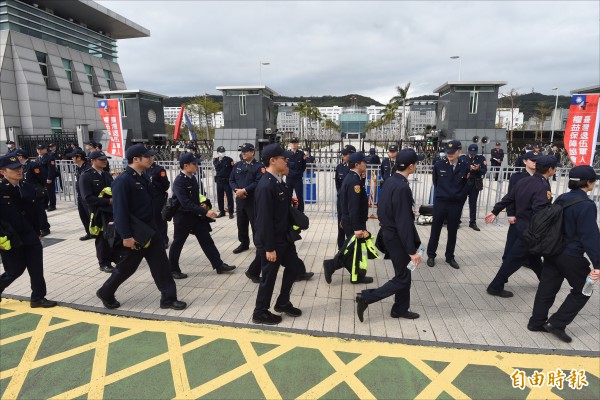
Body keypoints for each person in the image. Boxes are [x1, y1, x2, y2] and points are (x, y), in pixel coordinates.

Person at [97, 144, 186, 310]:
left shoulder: (142, 176)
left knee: (162, 266)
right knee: (126, 268)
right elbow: (120, 211)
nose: (151, 159)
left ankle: (168, 298)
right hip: (136, 234)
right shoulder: (123, 181)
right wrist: (126, 236)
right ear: (135, 159)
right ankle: (105, 292)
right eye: (147, 156)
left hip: (151, 231)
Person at [528, 166, 600, 343]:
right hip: (572, 255)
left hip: (552, 250)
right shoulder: (586, 205)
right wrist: (598, 264)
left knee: (547, 286)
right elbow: (590, 237)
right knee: (583, 290)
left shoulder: (562, 198)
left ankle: (536, 322)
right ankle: (557, 323)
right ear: (588, 182)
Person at [355, 149, 424, 322]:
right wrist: (411, 250)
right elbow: (403, 222)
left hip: (388, 232)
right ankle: (367, 297)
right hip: (396, 237)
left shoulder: (391, 181)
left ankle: (400, 308)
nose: (416, 165)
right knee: (402, 278)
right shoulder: (401, 187)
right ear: (411, 166)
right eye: (416, 163)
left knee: (404, 275)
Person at [484, 155, 558, 297]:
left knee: (533, 257)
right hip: (531, 230)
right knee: (514, 260)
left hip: (521, 226)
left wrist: (495, 211)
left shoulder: (525, 181)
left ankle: (546, 281)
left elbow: (509, 198)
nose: (555, 171)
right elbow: (540, 212)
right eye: (554, 168)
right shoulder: (542, 186)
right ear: (550, 169)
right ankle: (495, 286)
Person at [252, 144, 304, 325]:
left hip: (284, 238)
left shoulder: (277, 181)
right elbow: (263, 220)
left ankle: (282, 302)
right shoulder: (266, 185)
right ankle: (260, 312)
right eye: (284, 159)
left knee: (294, 267)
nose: (286, 161)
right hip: (272, 241)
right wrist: (269, 248)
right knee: (268, 278)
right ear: (273, 160)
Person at [0, 154, 57, 307]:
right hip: (10, 237)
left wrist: (38, 231)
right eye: (13, 169)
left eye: (19, 167)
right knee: (15, 270)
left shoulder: (27, 187)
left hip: (30, 234)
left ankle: (38, 298)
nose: (18, 171)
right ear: (3, 172)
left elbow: (36, 212)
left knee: (36, 268)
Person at [169, 153, 236, 279]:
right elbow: (185, 203)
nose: (197, 165)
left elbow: (195, 197)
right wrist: (205, 212)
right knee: (178, 243)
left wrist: (203, 204)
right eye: (194, 164)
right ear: (186, 166)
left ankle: (219, 265)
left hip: (195, 216)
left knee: (207, 240)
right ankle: (173, 269)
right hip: (183, 218)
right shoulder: (179, 181)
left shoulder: (193, 178)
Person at [426, 140, 469, 270]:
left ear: (459, 151)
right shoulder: (439, 165)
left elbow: (466, 184)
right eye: (448, 152)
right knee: (435, 229)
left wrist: (460, 198)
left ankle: (449, 256)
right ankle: (431, 255)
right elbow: (436, 182)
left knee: (452, 231)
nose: (449, 154)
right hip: (441, 202)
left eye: (453, 152)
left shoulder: (464, 165)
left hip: (455, 204)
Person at [337, 151, 373, 283]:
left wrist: (342, 218)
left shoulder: (353, 177)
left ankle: (356, 275)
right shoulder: (354, 181)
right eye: (364, 162)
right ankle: (333, 265)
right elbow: (353, 207)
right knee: (355, 251)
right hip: (354, 223)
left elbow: (344, 202)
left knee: (354, 250)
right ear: (357, 164)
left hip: (350, 221)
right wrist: (357, 228)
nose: (366, 164)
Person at [79, 151, 115, 273]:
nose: (104, 161)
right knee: (101, 238)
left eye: (105, 159)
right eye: (101, 159)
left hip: (110, 211)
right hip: (98, 211)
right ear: (92, 161)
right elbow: (87, 198)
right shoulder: (86, 176)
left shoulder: (106, 175)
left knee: (112, 234)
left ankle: (115, 257)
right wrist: (108, 202)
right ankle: (104, 262)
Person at [501, 150, 539, 262]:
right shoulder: (517, 177)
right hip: (519, 214)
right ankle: (507, 259)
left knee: (531, 238)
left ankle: (527, 260)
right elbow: (510, 197)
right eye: (533, 160)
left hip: (534, 215)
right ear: (525, 161)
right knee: (513, 237)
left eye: (537, 161)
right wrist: (510, 213)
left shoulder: (541, 177)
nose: (535, 163)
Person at [229, 143, 264, 254]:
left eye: (246, 151)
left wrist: (244, 190)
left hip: (252, 200)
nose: (243, 153)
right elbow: (231, 180)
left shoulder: (259, 166)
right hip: (240, 199)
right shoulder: (238, 165)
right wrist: (236, 191)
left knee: (255, 224)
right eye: (242, 151)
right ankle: (244, 243)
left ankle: (258, 245)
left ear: (252, 152)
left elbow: (258, 182)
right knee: (241, 223)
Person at [14, 149, 50, 237]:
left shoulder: (33, 165)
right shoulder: (20, 166)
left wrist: (39, 188)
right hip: (25, 193)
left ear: (20, 157)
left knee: (39, 210)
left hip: (35, 192)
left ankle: (45, 228)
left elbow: (41, 177)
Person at [66, 149, 93, 241]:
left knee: (90, 215)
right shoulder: (80, 167)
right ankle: (89, 233)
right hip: (80, 195)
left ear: (79, 157)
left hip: (86, 196)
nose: (72, 159)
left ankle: (95, 232)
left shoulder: (88, 168)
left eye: (73, 157)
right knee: (83, 215)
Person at [460, 144, 487, 231]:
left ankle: (472, 222)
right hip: (464, 183)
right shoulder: (462, 158)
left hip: (475, 183)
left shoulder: (481, 159)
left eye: (474, 153)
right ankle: (456, 220)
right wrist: (468, 170)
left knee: (473, 203)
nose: (472, 155)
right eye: (471, 153)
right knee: (460, 202)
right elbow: (458, 170)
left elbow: (484, 171)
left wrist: (478, 169)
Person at [334, 145, 356, 249]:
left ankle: (351, 247)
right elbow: (337, 184)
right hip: (341, 201)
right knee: (340, 225)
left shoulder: (356, 168)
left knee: (350, 225)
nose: (343, 156)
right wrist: (341, 194)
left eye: (345, 154)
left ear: (351, 155)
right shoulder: (339, 167)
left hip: (351, 202)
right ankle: (341, 248)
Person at [147, 159, 170, 248]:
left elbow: (165, 185)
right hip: (148, 198)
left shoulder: (160, 170)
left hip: (158, 198)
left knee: (160, 219)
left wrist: (155, 184)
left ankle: (164, 240)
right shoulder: (144, 169)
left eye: (151, 157)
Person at [285, 137, 307, 212]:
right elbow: (284, 165)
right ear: (290, 144)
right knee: (288, 195)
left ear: (297, 144)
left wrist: (299, 173)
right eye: (292, 143)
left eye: (295, 143)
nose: (294, 145)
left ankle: (301, 212)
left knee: (299, 196)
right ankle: (288, 211)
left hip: (298, 179)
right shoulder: (286, 153)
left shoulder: (301, 154)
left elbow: (304, 166)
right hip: (289, 178)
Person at [213, 146, 235, 219]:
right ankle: (222, 211)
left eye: (223, 152)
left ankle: (231, 212)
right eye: (221, 152)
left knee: (229, 197)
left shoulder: (229, 160)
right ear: (218, 153)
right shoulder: (215, 160)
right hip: (219, 181)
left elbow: (233, 169)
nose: (222, 153)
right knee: (220, 197)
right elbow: (218, 168)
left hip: (227, 180)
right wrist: (220, 160)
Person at [36, 144, 56, 211]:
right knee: (43, 192)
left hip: (47, 178)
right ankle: (45, 205)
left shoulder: (49, 158)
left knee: (50, 192)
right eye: (38, 149)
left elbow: (51, 169)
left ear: (45, 150)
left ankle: (52, 205)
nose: (40, 151)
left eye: (41, 149)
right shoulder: (37, 158)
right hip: (40, 179)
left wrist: (50, 178)